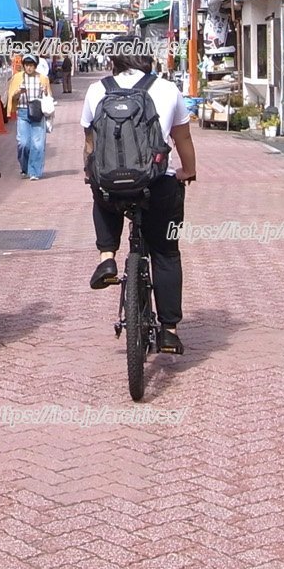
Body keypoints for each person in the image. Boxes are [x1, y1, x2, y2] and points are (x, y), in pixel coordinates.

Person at [81, 52, 197, 354]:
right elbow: (182, 139)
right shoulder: (168, 89)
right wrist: (189, 170)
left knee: (102, 195)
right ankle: (169, 331)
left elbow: (91, 144)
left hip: (112, 190)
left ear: (113, 61)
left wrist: (89, 174)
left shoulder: (97, 90)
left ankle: (107, 256)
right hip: (159, 185)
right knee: (167, 253)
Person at [5, 54, 53, 179]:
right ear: (23, 66)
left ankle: (34, 172)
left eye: (31, 65)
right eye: (27, 65)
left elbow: (49, 98)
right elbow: (11, 97)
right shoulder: (17, 78)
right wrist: (18, 92)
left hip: (38, 113)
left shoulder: (43, 78)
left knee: (37, 144)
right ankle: (25, 167)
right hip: (22, 112)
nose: (29, 68)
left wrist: (45, 91)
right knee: (23, 143)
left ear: (35, 66)